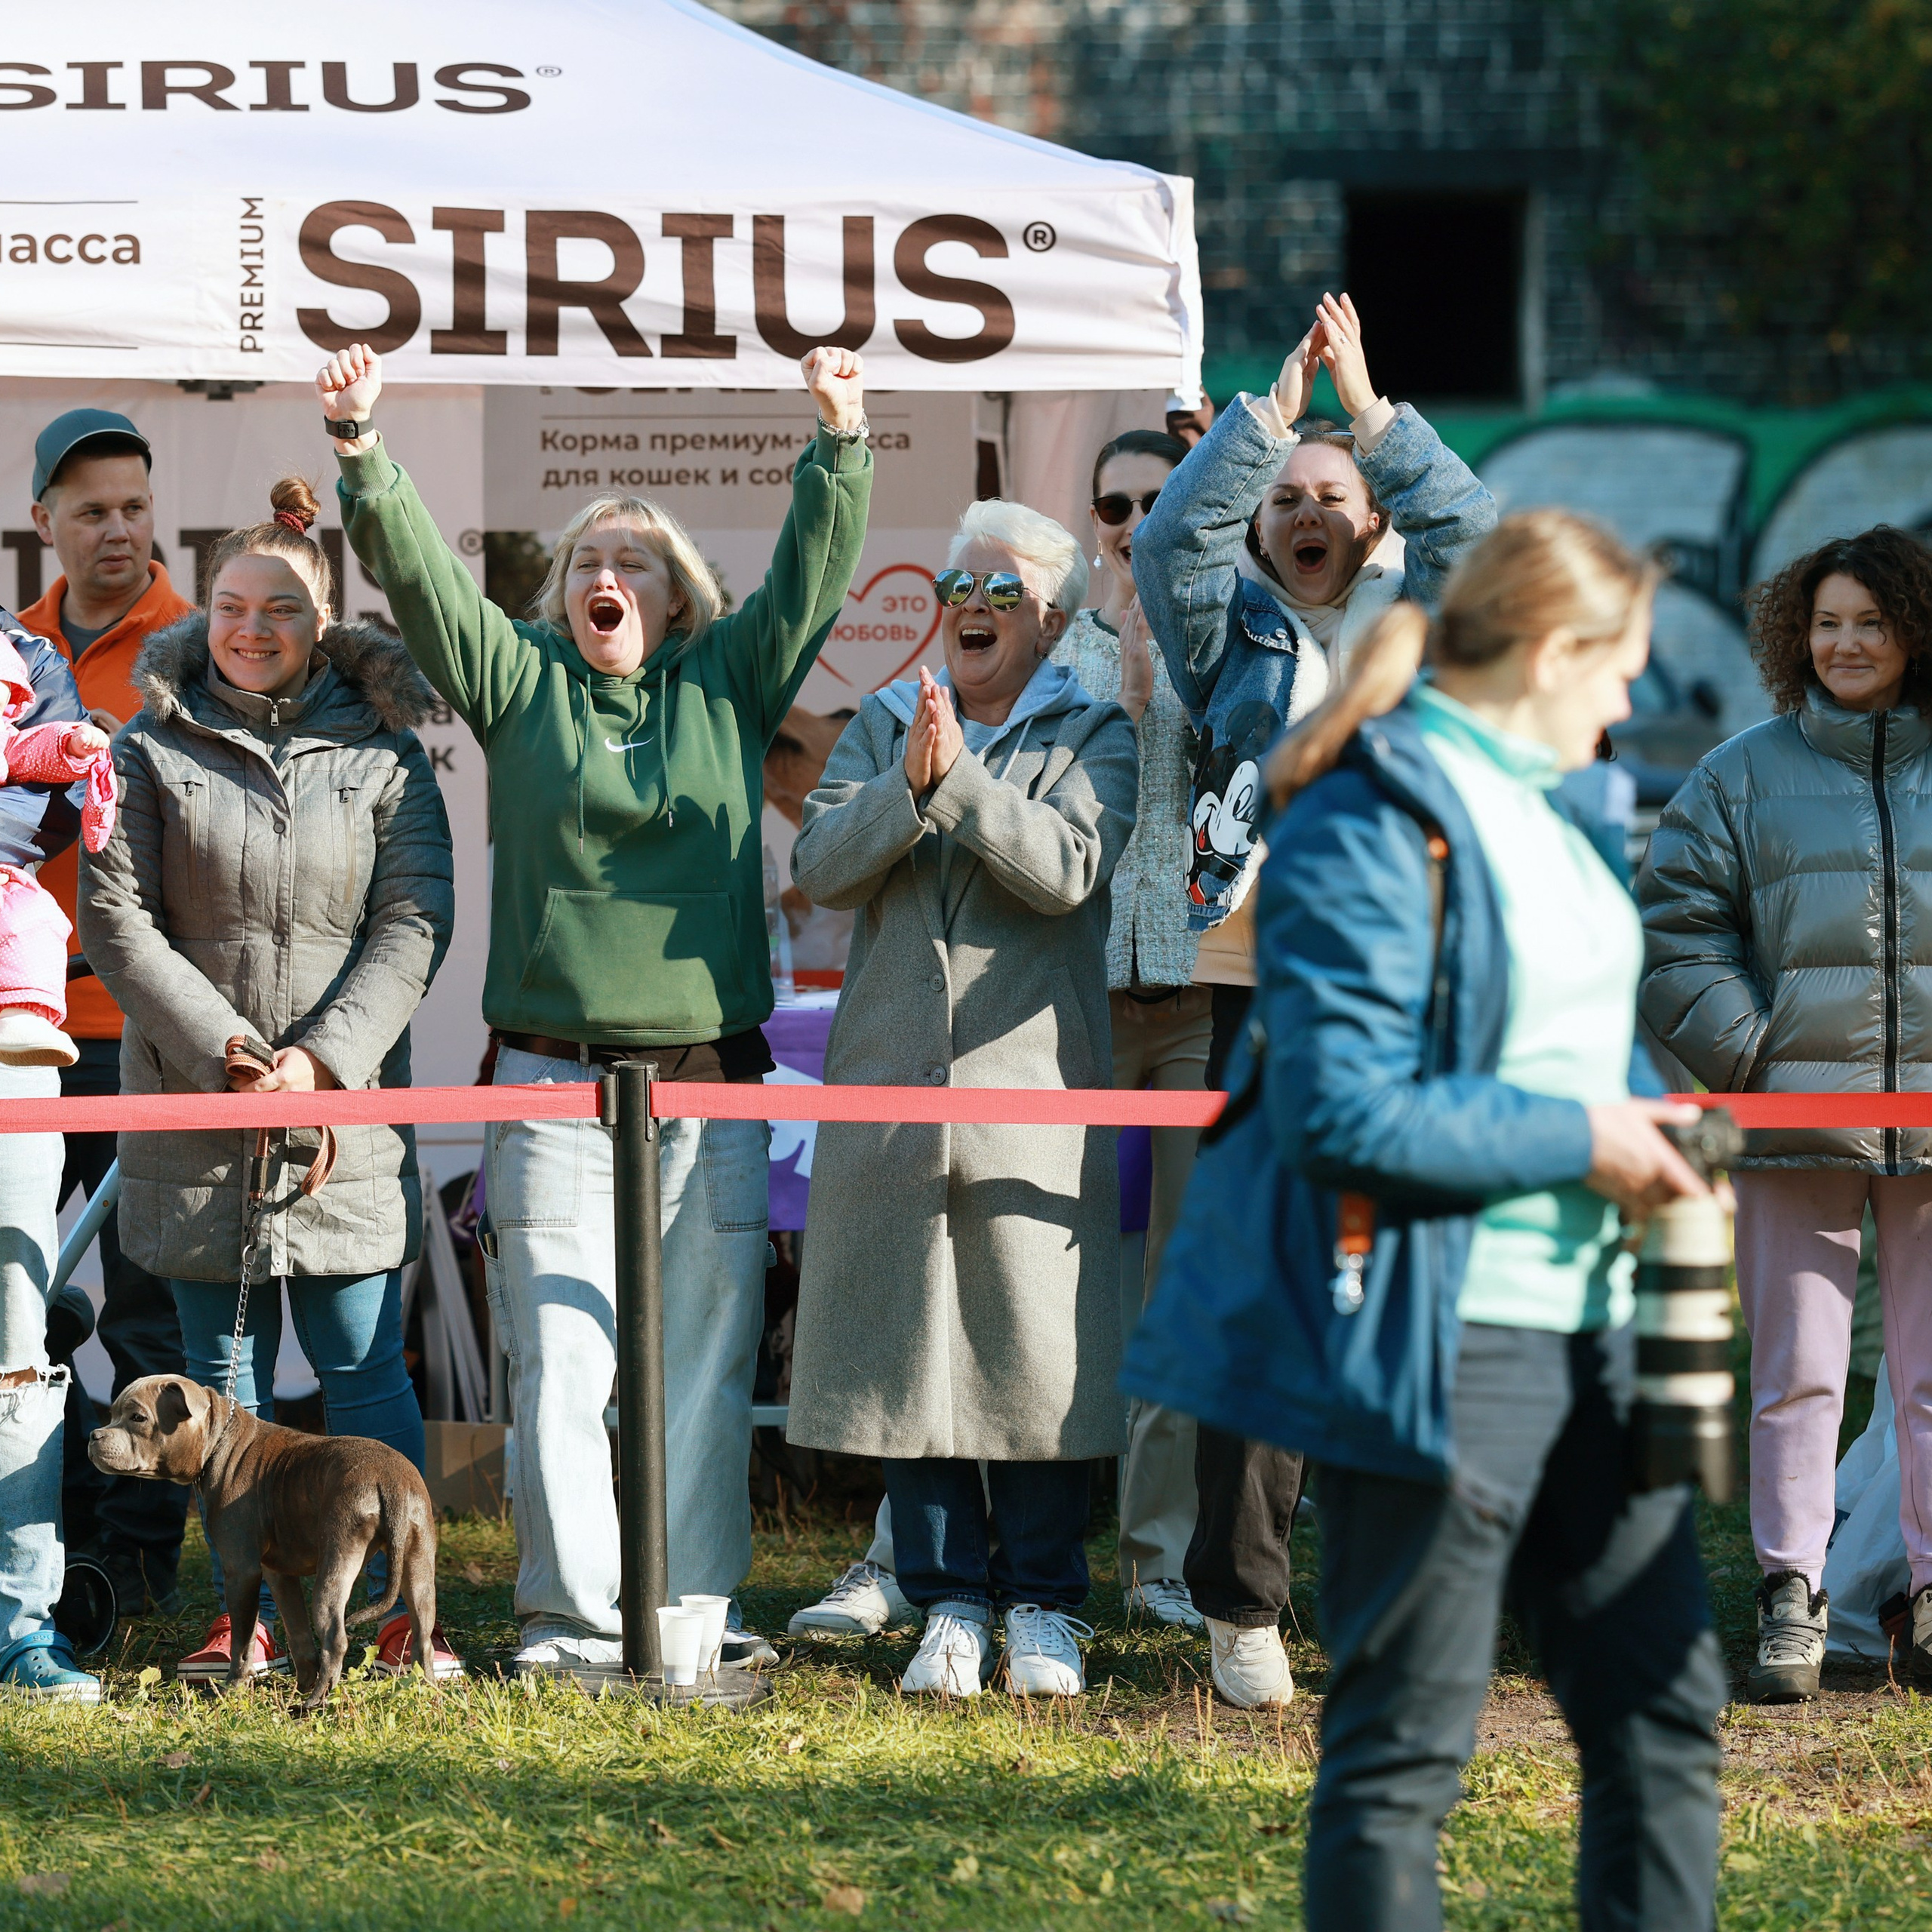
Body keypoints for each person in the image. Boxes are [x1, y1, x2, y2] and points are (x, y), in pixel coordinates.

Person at [1128, 510, 1726, 1931]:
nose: (1633, 701)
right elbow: (1344, 1114)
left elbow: (1572, 1046)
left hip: (1596, 1339)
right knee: (1405, 1750)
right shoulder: (1365, 820)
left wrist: (1652, 1115)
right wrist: (1581, 1138)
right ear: (1549, 649)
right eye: (1621, 667)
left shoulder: (1562, 813)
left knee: (1665, 1707)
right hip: (1436, 1338)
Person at [318, 339, 873, 1679]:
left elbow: (807, 578)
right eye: (584, 566)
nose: (606, 581)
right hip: (554, 1085)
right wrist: (363, 454)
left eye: (634, 567)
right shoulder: (519, 687)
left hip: (706, 1083)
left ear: (680, 601)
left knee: (700, 1359)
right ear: (558, 597)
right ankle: (570, 1621)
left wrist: (842, 446)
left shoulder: (729, 683)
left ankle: (684, 1616)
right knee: (564, 1361)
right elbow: (429, 589)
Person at [1131, 291, 1497, 1708]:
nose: (1304, 509)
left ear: (1371, 520)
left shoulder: (1429, 623)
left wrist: (1378, 419)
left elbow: (1484, 544)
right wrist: (1271, 419)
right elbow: (1173, 535)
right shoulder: (1232, 635)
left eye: (1329, 496)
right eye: (1285, 497)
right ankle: (1242, 1607)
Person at [81, 480, 457, 1686]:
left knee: (360, 1367)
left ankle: (405, 1624)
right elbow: (118, 918)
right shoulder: (148, 745)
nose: (253, 627)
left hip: (336, 1115)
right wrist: (233, 1058)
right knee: (220, 1386)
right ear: (207, 617)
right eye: (233, 606)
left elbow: (415, 918)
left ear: (323, 622)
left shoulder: (387, 752)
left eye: (281, 609)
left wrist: (319, 1064)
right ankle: (237, 1621)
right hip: (202, 1110)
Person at [785, 499, 1137, 1699]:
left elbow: (1069, 871)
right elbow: (819, 863)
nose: (970, 611)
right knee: (908, 1340)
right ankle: (945, 1603)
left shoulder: (1099, 732)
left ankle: (1042, 1605)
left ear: (1049, 619)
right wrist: (905, 784)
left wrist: (960, 784)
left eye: (998, 593)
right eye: (956, 589)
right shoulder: (883, 723)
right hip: (890, 1088)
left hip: (1027, 1087)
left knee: (1027, 1352)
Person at [1641, 525, 1932, 1697]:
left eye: (1871, 620)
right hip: (1790, 1121)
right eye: (1828, 622)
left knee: (1927, 1376)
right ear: (1794, 636)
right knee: (1799, 1369)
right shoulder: (1741, 770)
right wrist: (1753, 1059)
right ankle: (1791, 1600)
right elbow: (1675, 932)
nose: (1848, 642)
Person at [18, 406, 195, 1619]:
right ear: (44, 525)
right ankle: (51, 1529)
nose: (118, 530)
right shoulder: (10, 652)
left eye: (135, 506)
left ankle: (133, 1564)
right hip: (23, 1026)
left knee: (139, 1305)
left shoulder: (201, 642)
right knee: (18, 1300)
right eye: (91, 511)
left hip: (144, 1028)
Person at [1052, 426, 1211, 1627]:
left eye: (1162, 499)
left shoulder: (1233, 631)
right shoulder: (1048, 644)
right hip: (1078, 1006)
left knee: (1177, 1288)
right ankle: (1016, 1547)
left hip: (1203, 999)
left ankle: (1157, 1558)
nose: (1137, 519)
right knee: (1046, 1279)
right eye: (1117, 502)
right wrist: (1117, 650)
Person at [0, 604, 97, 1700]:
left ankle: (21, 1620)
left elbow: (54, 807)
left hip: (14, 1030)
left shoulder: (29, 655)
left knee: (17, 1338)